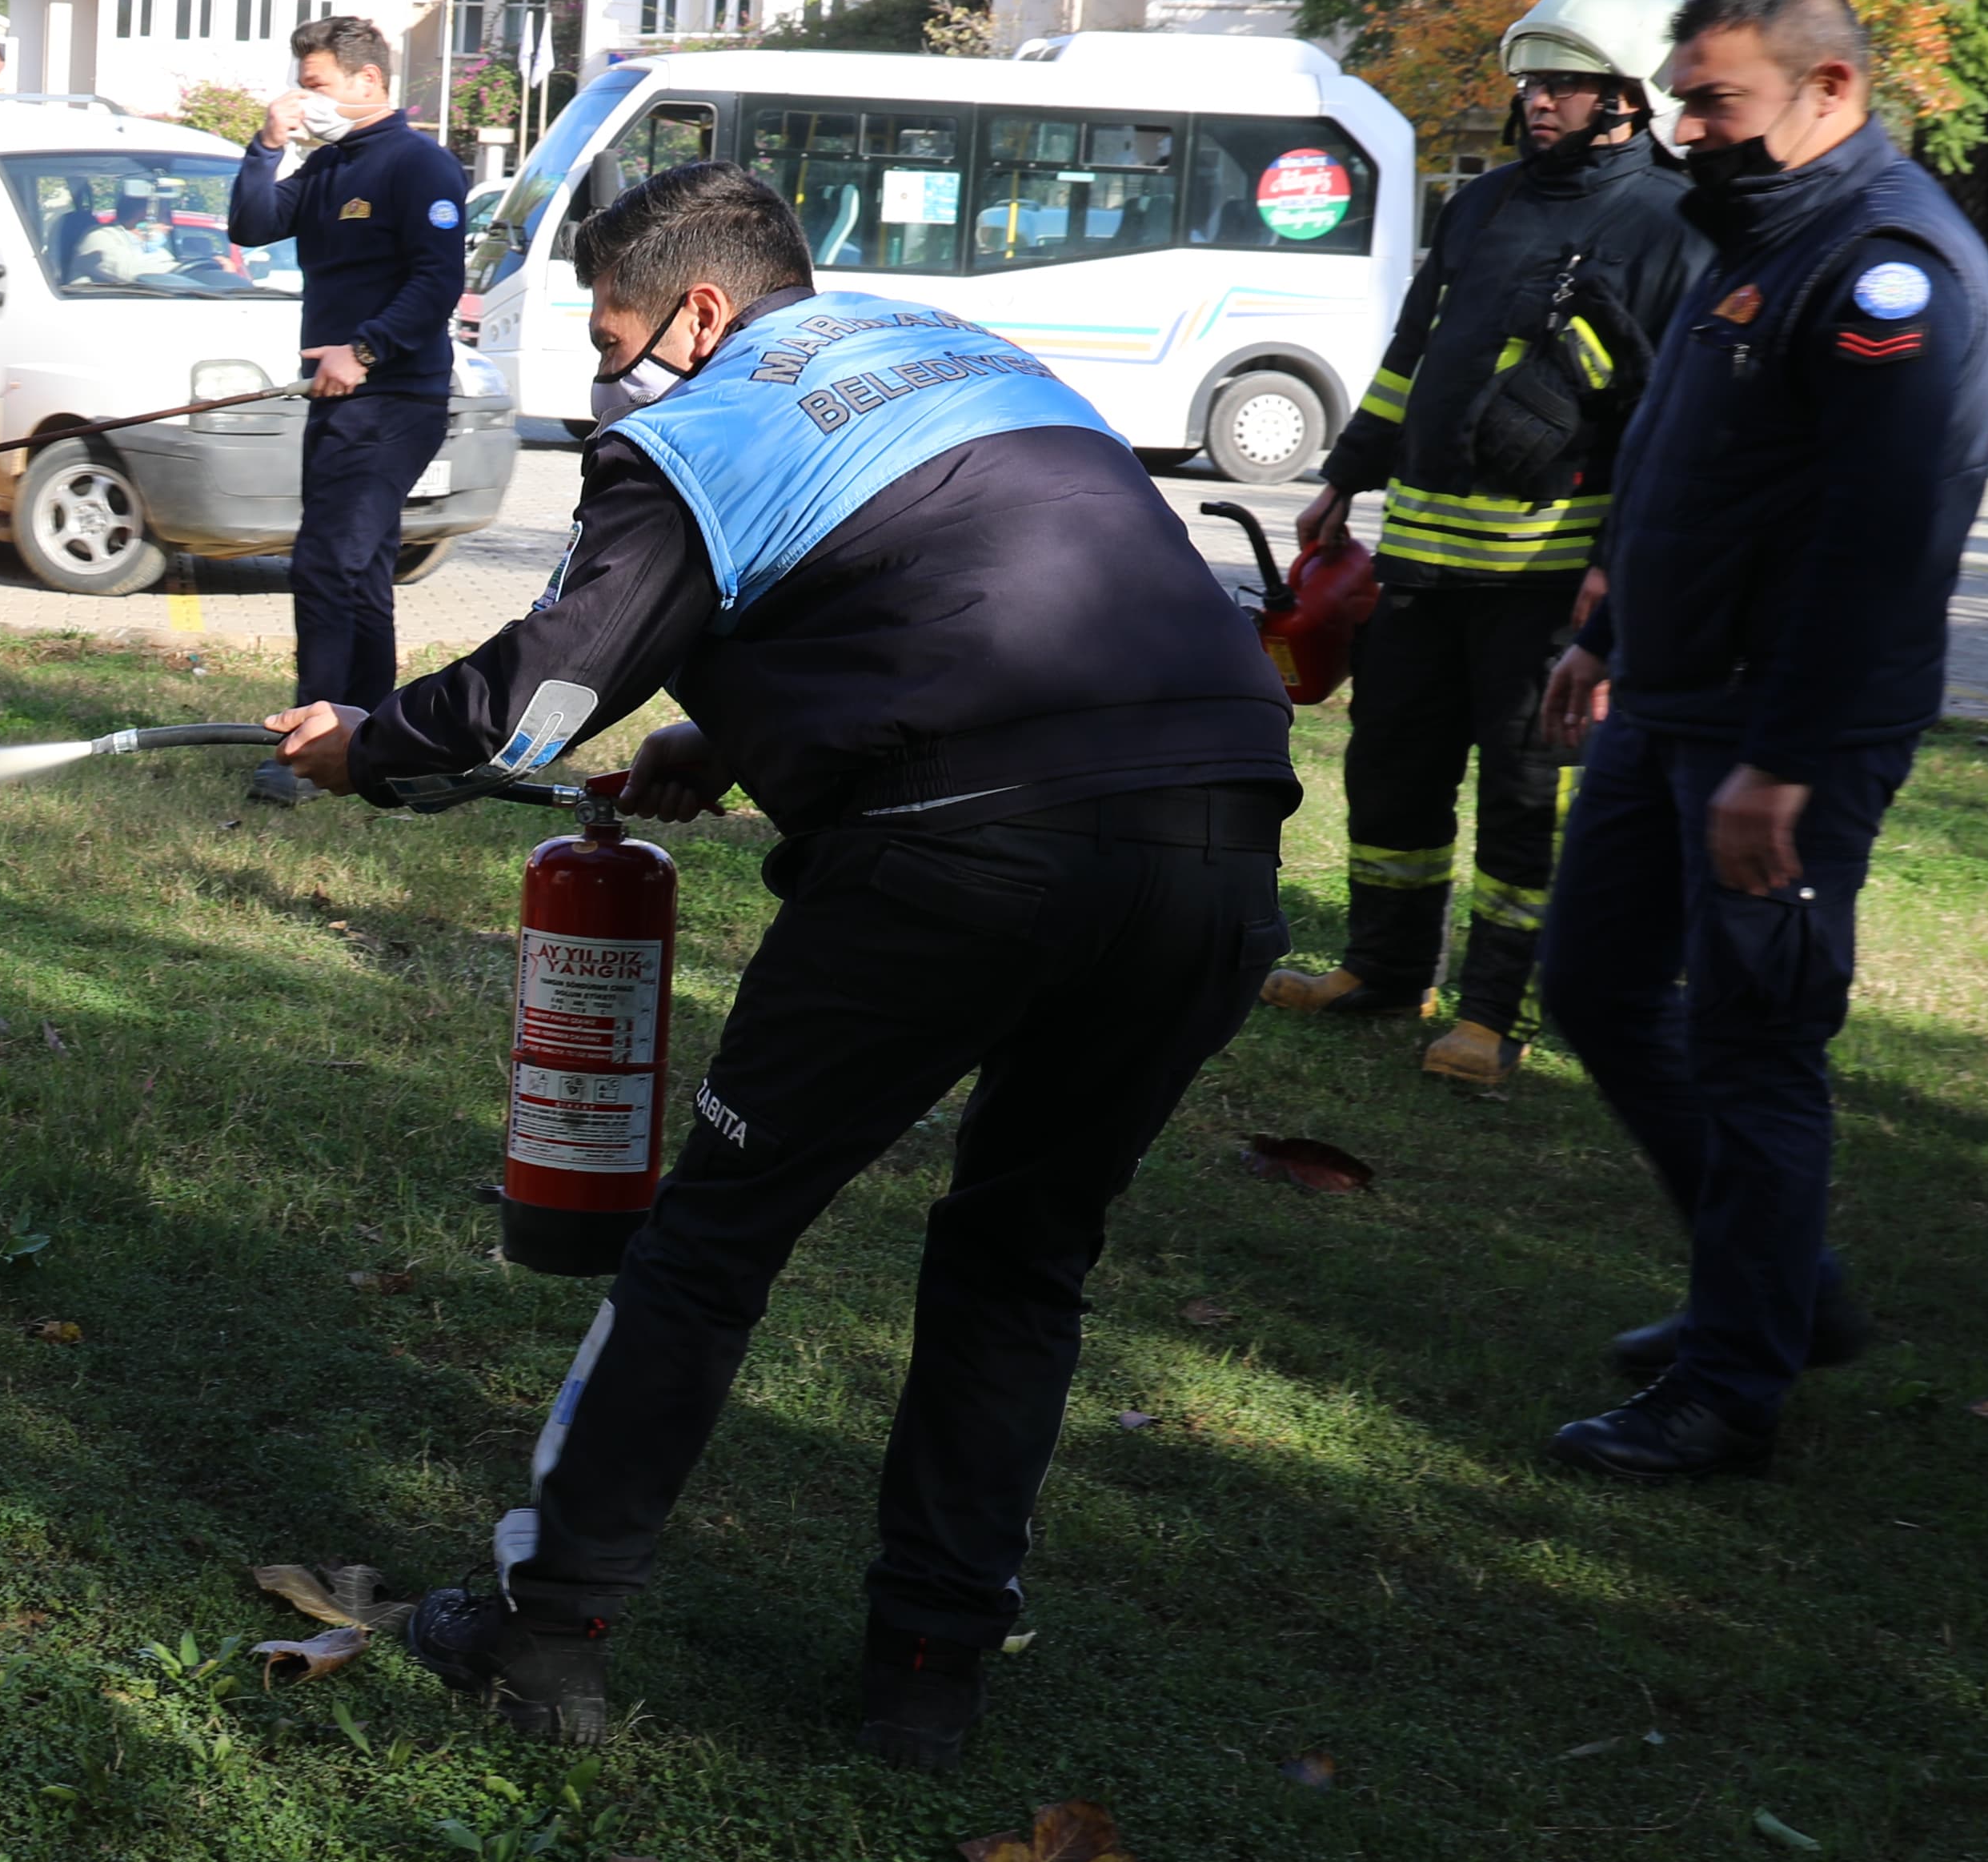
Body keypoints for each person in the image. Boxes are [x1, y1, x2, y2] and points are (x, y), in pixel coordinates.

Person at [265, 162, 1292, 1770]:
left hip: (965, 856)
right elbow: (940, 579)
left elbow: (536, 705)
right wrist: (725, 726)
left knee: (712, 1239)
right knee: (1023, 1254)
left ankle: (547, 1631)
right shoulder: (937, 346)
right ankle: (929, 1677)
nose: (612, 382)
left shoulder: (703, 417)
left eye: (617, 341)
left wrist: (369, 742)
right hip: (1219, 839)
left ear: (702, 309)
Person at [1530, 0, 1988, 1482]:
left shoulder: (1885, 268)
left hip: (1776, 736)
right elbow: (1682, 469)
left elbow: (1883, 540)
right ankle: (1783, 1291)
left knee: (1753, 1042)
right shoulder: (1765, 244)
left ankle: (1735, 1385)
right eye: (1680, 99)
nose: (1686, 130)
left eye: (1716, 103)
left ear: (1832, 93)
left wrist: (1782, 764)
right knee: (1598, 986)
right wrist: (1599, 635)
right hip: (1666, 704)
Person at [1258, 0, 1701, 1078]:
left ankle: (1495, 1016)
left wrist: (1614, 566)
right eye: (1533, 81)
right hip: (1420, 565)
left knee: (1517, 795)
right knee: (1391, 769)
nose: (1537, 100)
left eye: (1565, 83)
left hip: (1544, 581)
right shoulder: (1485, 204)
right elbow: (1413, 354)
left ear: (1631, 96)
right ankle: (1383, 971)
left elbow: (1668, 422)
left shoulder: (1672, 222)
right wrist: (1346, 474)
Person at [230, 12, 480, 808]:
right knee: (362, 570)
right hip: (337, 397)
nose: (306, 101)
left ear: (368, 82)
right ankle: (374, 738)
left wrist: (363, 348)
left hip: (395, 396)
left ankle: (307, 746)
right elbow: (252, 223)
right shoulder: (329, 165)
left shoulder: (421, 167)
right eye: (301, 87)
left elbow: (436, 284)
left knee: (326, 563)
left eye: (316, 86)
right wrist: (268, 145)